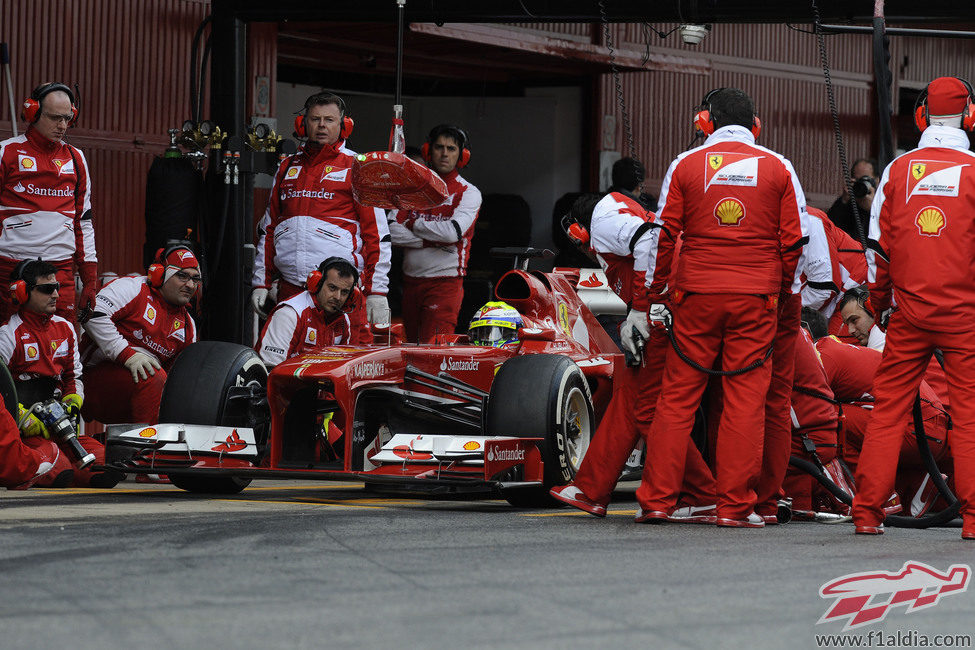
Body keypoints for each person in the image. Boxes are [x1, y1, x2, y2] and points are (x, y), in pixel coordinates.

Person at [631, 87, 807, 528]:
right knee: (745, 401)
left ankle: (656, 501)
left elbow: (663, 236)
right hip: (755, 299)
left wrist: (655, 296)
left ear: (704, 122)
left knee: (676, 398)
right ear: (756, 126)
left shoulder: (684, 164)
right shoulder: (779, 166)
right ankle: (734, 508)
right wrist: (779, 293)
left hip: (694, 297)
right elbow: (793, 244)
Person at [549, 158, 717, 520]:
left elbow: (650, 240)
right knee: (629, 395)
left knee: (646, 408)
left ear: (578, 229)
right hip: (674, 306)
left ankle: (701, 492)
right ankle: (591, 488)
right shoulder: (618, 214)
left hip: (664, 310)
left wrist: (641, 310)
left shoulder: (605, 219)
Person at [851, 76, 975, 538]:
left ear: (922, 117)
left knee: (888, 411)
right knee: (969, 416)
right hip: (964, 316)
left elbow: (879, 252)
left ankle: (866, 513)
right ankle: (973, 521)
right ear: (970, 116)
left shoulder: (898, 172)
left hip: (909, 315)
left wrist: (879, 304)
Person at [252, 91, 391, 343]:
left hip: (342, 292)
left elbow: (378, 236)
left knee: (350, 364)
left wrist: (377, 291)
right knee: (281, 364)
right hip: (291, 289)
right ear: (303, 124)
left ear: (344, 125)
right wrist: (261, 282)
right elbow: (269, 229)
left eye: (329, 120)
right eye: (315, 119)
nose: (322, 126)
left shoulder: (359, 167)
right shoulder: (286, 167)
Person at [0, 258, 119, 487]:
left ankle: (63, 463)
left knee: (107, 467)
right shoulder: (8, 334)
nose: (55, 295)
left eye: (56, 288)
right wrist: (24, 418)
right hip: (25, 431)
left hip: (59, 427)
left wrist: (73, 401)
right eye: (46, 289)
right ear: (22, 293)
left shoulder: (65, 328)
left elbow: (73, 377)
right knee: (60, 470)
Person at [0, 82, 97, 324]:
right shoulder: (6, 152)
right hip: (10, 268)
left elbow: (83, 221)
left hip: (60, 270)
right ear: (33, 113)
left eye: (67, 118)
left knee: (62, 345)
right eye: (55, 118)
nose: (62, 126)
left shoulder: (76, 158)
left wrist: (90, 280)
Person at [80, 244, 199, 424]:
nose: (190, 285)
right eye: (182, 276)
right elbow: (93, 315)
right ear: (159, 274)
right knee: (152, 376)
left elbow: (177, 379)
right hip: (90, 380)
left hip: (140, 392)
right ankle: (147, 447)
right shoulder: (133, 288)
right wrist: (127, 355)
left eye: (195, 279)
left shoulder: (188, 325)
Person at [388, 125, 482, 342]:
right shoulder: (412, 188)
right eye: (439, 147)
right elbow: (391, 231)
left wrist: (412, 222)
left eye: (451, 148)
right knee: (411, 348)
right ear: (429, 151)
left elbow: (452, 233)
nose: (445, 153)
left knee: (433, 351)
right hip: (410, 283)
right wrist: (431, 242)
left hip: (445, 284)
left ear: (462, 155)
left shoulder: (469, 192)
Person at [256, 257, 356, 367]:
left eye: (344, 292)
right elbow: (271, 369)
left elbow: (340, 367)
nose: (337, 297)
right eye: (332, 288)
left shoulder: (343, 320)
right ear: (317, 283)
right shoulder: (289, 314)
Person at [825, 157, 878, 241]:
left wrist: (872, 210)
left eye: (865, 179)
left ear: (877, 180)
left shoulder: (883, 202)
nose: (861, 184)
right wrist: (844, 201)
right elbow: (829, 229)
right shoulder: (848, 202)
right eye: (857, 180)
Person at [837, 286, 885, 351]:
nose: (850, 331)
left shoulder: (880, 336)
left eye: (854, 320)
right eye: (847, 324)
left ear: (872, 310)